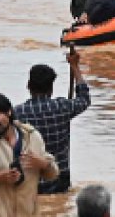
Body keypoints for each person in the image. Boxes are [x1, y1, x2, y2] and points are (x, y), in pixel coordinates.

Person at [15, 51, 91, 194]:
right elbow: (84, 98)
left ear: (28, 86)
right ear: (51, 88)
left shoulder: (17, 114)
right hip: (60, 180)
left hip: (31, 182)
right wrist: (75, 67)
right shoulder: (62, 107)